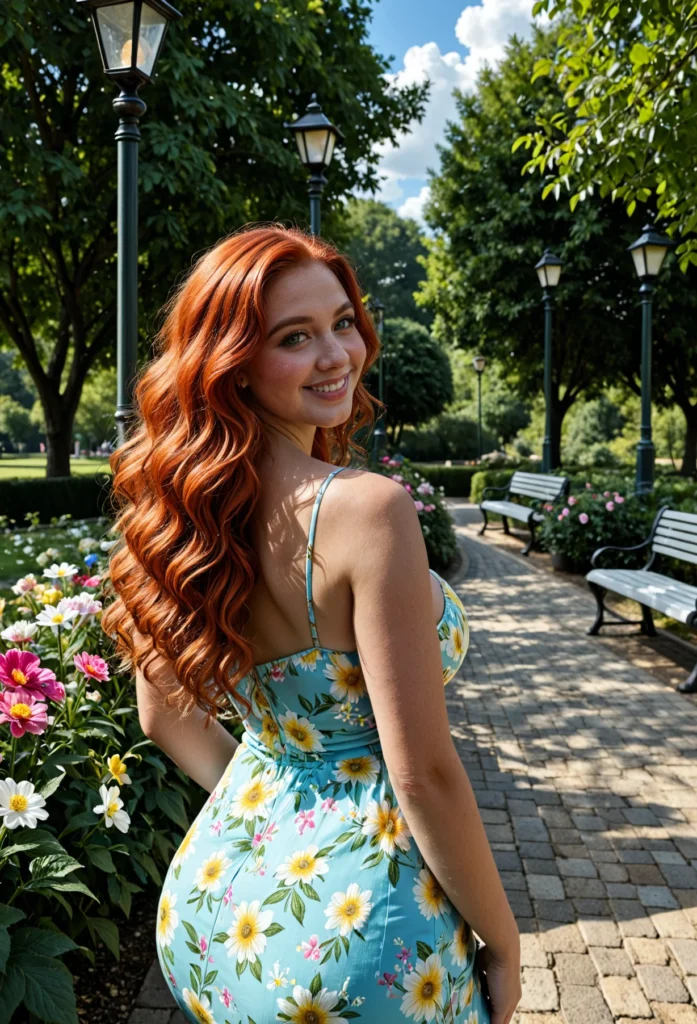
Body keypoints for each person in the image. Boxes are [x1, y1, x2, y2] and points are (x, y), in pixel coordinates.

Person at [101, 224, 521, 1024]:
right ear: (233, 364)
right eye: (295, 337)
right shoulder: (368, 510)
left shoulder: (181, 513)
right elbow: (423, 774)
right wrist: (500, 942)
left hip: (217, 901)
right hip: (361, 939)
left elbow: (162, 716)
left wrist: (285, 809)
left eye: (342, 322)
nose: (337, 354)